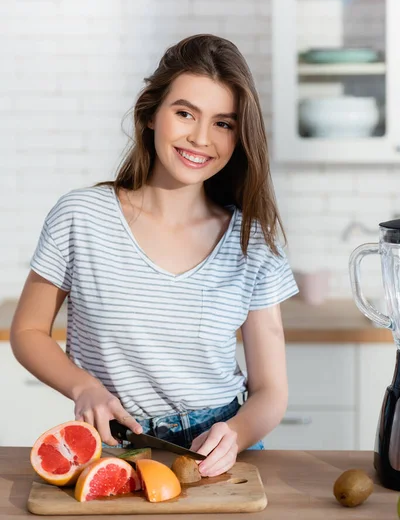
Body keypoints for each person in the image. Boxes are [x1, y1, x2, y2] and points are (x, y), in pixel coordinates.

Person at [10, 34, 298, 478]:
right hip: (113, 442)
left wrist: (237, 433)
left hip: (217, 447)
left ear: (240, 136)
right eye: (185, 113)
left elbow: (270, 391)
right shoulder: (81, 217)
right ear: (150, 115)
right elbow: (28, 331)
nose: (200, 138)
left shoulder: (251, 240)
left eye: (223, 123)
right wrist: (84, 387)